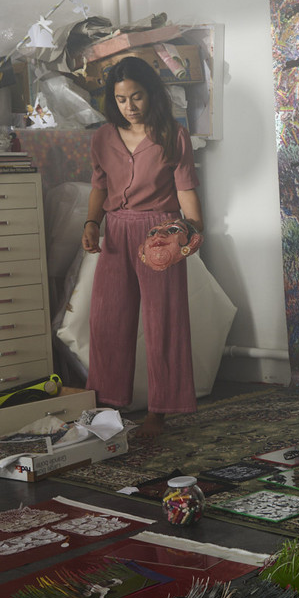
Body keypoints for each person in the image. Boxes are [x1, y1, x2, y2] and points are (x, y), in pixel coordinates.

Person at [81, 55, 203, 437]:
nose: (129, 106)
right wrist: (92, 223)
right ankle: (107, 405)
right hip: (116, 231)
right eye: (121, 99)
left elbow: (186, 190)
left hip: (160, 233)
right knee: (107, 320)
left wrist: (193, 231)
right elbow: (99, 186)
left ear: (151, 94)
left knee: (164, 322)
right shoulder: (102, 138)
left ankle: (161, 410)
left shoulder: (173, 135)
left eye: (136, 97)